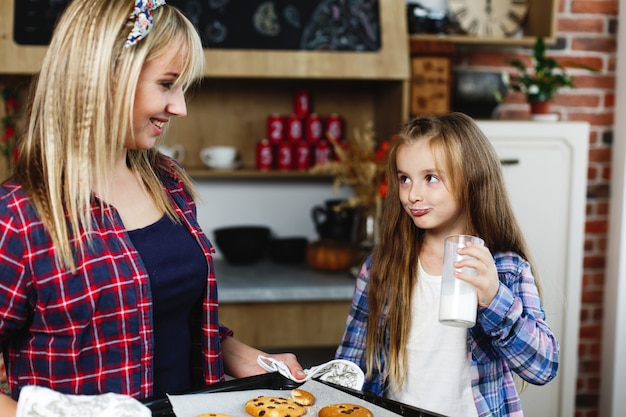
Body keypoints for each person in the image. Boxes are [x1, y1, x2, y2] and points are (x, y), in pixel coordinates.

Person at [0, 0, 304, 413]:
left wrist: (251, 359)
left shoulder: (167, 182)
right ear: (106, 76)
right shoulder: (19, 215)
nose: (180, 107)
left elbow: (168, 320)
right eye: (166, 84)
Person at [335, 112, 559, 416]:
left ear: (472, 179)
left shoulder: (506, 269)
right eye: (404, 179)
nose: (413, 194)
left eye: (431, 178)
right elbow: (351, 366)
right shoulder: (382, 267)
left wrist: (494, 298)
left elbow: (543, 367)